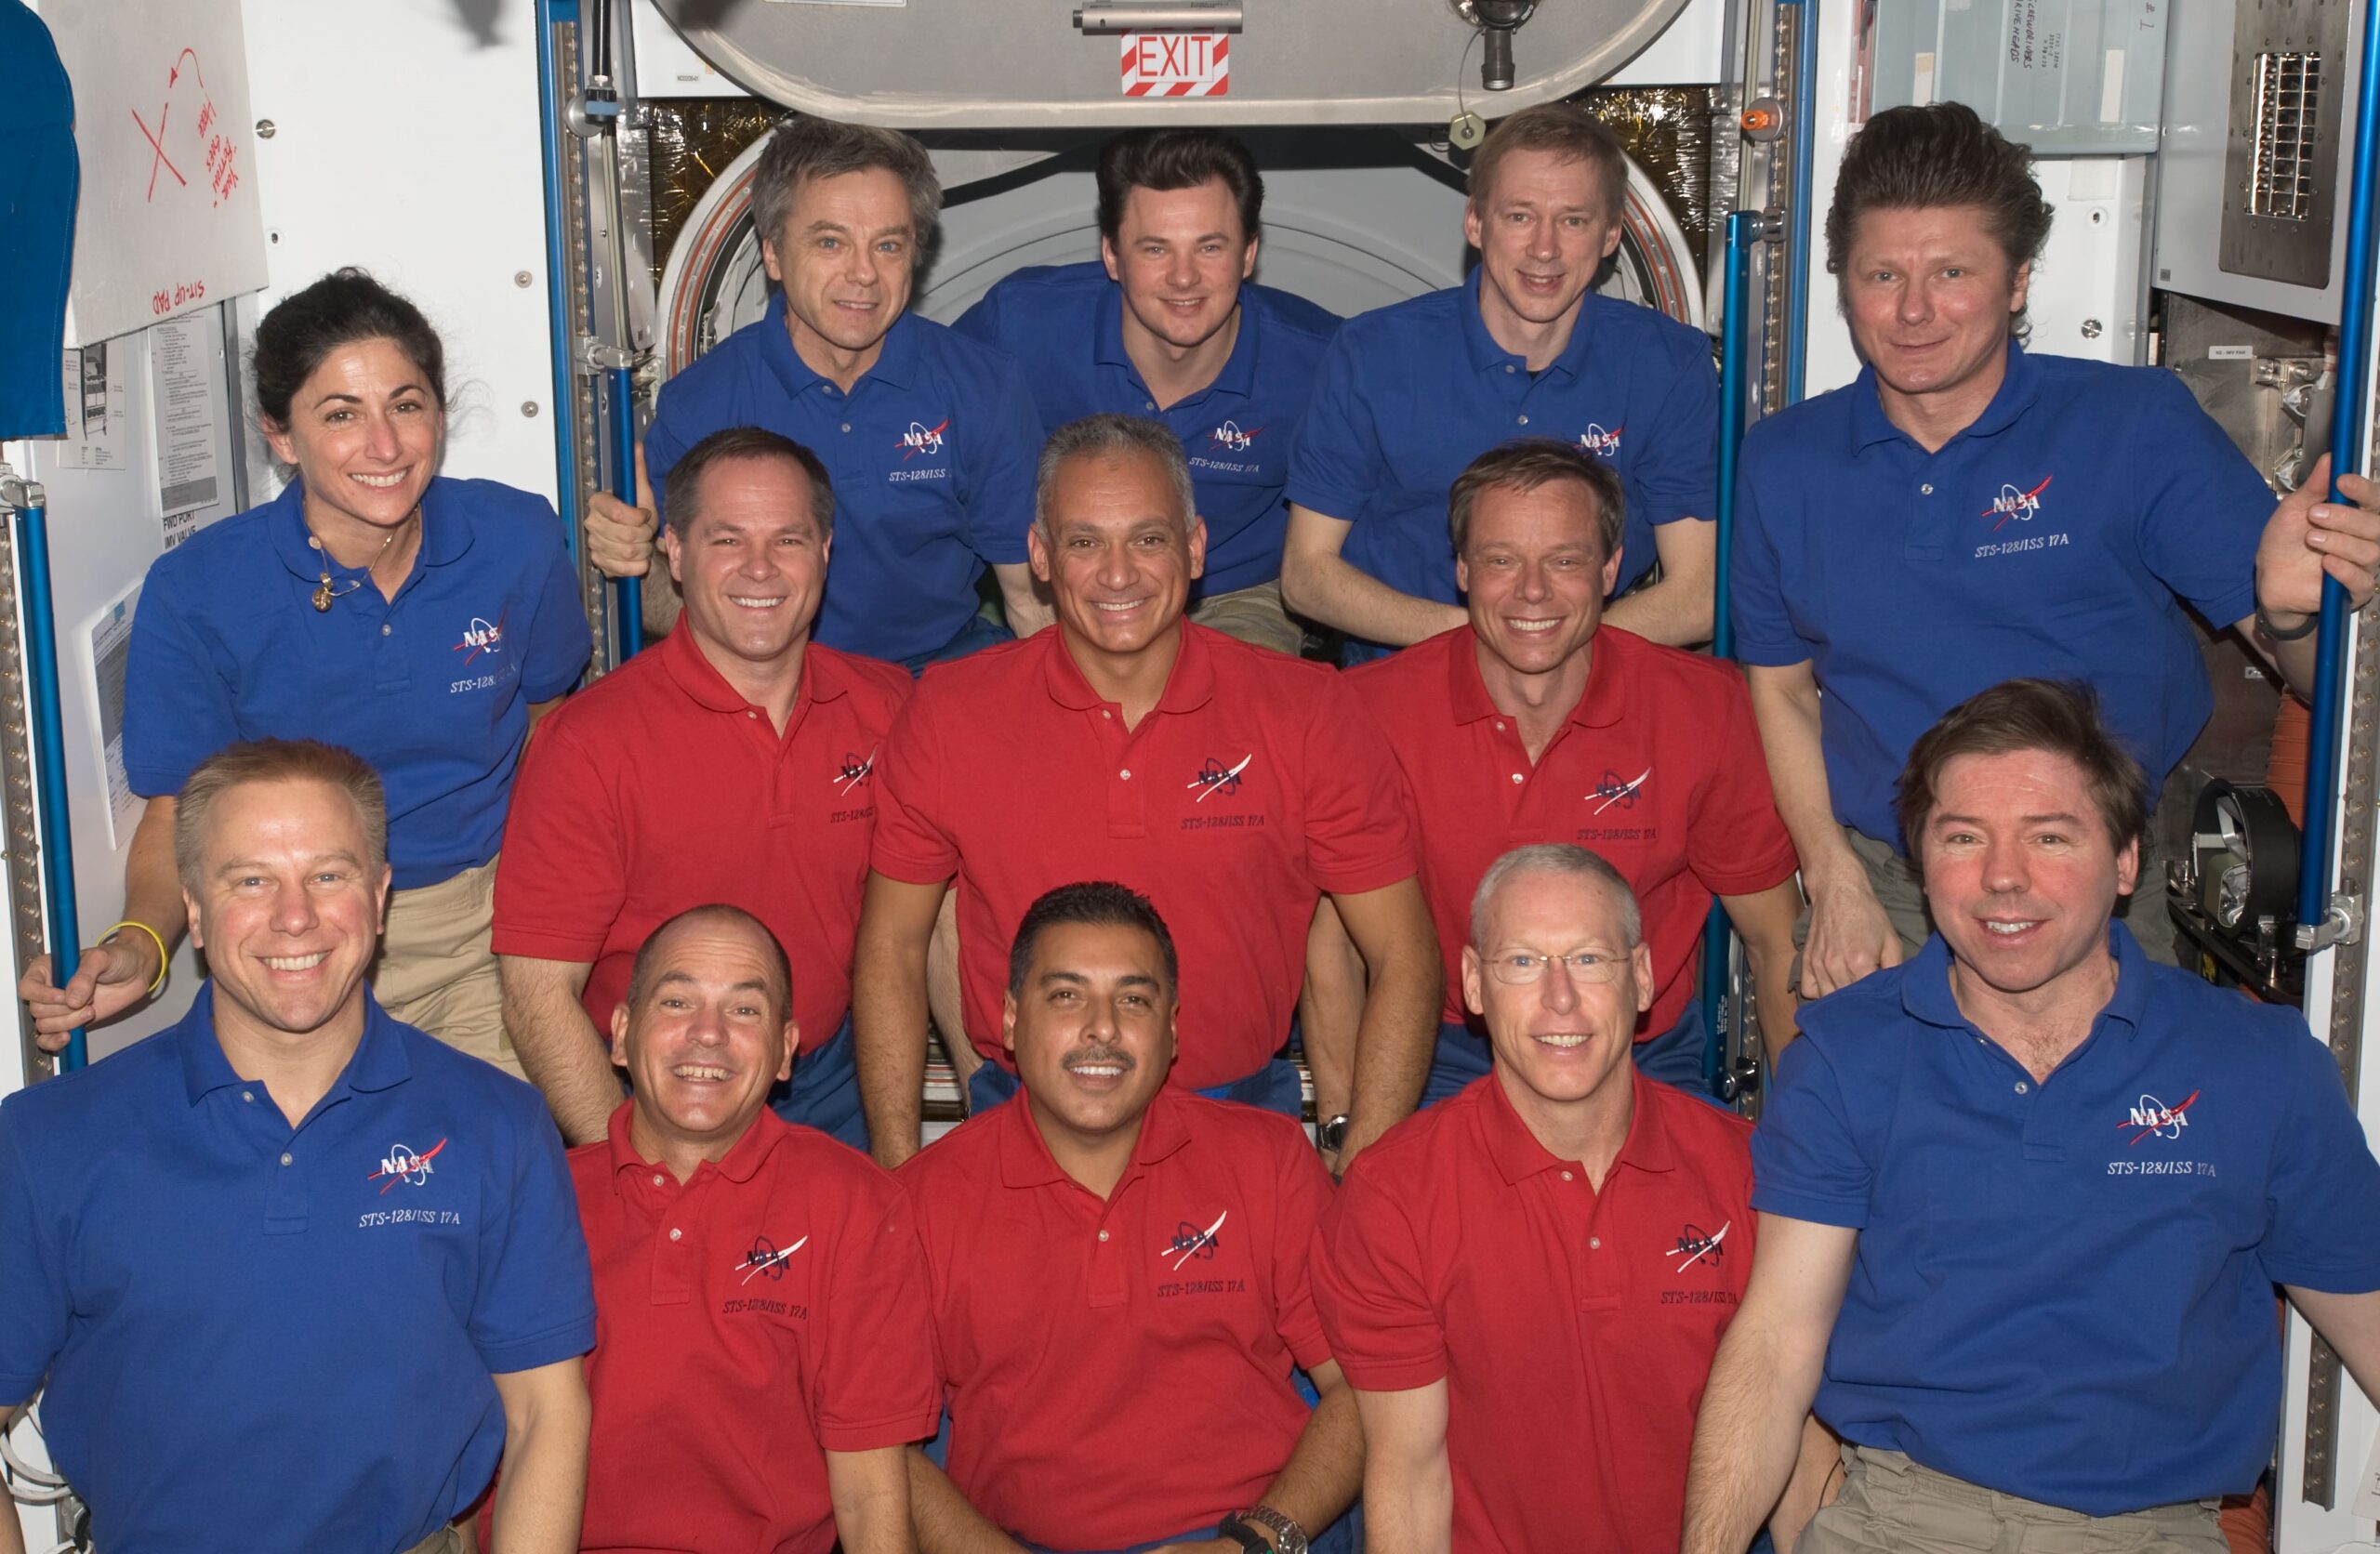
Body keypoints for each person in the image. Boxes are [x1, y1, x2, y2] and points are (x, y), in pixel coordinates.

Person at [1679, 679, 2380, 1554]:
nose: (2002, 877)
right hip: (1902, 1519)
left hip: (2150, 1534)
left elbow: (2368, 1314)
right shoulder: (1846, 1053)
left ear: (2126, 862)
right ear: (1921, 862)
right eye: (1963, 838)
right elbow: (1777, 1344)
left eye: (2050, 837)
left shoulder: (2257, 1065)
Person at [1731, 102, 2380, 994]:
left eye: (1952, 271)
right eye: (1883, 275)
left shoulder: (2135, 428)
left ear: (2019, 280)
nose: (1914, 310)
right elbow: (1782, 689)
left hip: (2100, 891)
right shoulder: (1783, 461)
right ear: (1845, 282)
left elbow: (2316, 682)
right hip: (1885, 889)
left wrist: (2290, 614)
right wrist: (1831, 878)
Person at [0, 739, 594, 1554]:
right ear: (196, 911)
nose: (295, 917)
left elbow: (545, 1416)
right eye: (251, 880)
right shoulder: (50, 1140)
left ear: (381, 898)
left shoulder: (500, 1125)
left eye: (329, 875)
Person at [18, 270, 590, 1076]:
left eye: (407, 404)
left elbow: (551, 721)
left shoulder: (516, 538)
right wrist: (142, 943)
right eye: (341, 415)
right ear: (281, 437)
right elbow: (176, 807)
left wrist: (559, 905)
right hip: (296, 937)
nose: (385, 446)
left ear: (440, 413)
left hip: (481, 926)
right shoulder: (202, 591)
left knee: (492, 1163)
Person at [855, 415, 1439, 1170]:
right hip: (1020, 1126)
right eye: (1085, 542)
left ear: (1196, 548)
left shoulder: (1308, 711)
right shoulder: (947, 712)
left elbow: (1405, 953)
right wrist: (900, 1173)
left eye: (1149, 538)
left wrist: (1365, 1172)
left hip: (1236, 1127)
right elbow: (891, 948)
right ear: (1039, 556)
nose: (1119, 573)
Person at [1316, 844, 1831, 1553]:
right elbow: (1409, 1477)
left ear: (1643, 977)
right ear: (1472, 983)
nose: (1561, 999)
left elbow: (1804, 1451)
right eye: (1522, 963)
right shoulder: (1393, 1195)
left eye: (1589, 960)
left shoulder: (1753, 1173)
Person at [900, 882, 1361, 1554]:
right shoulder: (920, 1201)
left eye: (1133, 1000)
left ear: (1172, 1028)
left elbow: (1362, 1389)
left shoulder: (1268, 1160)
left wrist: (1257, 1542)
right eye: (1066, 995)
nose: (1103, 1028)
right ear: (1008, 1018)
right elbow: (880, 1445)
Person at [1342, 441, 1801, 1102]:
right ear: (1463, 569)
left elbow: (1774, 942)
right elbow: (1331, 949)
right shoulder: (1368, 711)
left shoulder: (1704, 709)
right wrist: (1350, 1129)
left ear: (1611, 568)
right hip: (1445, 1047)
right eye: (1502, 560)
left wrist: (1804, 1145)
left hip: (1640, 1048)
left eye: (1565, 560)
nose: (1533, 591)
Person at [495, 427, 910, 1149]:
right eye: (726, 540)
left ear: (825, 552)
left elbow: (925, 931)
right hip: (654, 1096)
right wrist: (632, 1168)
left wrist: (905, 1156)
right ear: (677, 555)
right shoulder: (591, 744)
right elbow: (538, 996)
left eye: (788, 539)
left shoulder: (889, 710)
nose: (760, 569)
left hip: (830, 1085)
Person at [581, 116, 1051, 670]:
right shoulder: (705, 403)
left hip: (934, 671)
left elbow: (1029, 602)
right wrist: (637, 568)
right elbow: (670, 610)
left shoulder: (981, 388)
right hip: (771, 681)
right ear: (774, 253)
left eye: (888, 245)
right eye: (830, 242)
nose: (864, 274)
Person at [546, 903, 933, 1554]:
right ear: (618, 1033)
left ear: (786, 1052)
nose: (709, 1034)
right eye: (676, 1002)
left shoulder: (855, 1205)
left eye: (745, 1011)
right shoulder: (533, 1201)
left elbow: (871, 1492)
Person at [1281, 103, 1718, 661]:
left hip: (1591, 667)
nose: (1544, 248)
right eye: (1519, 216)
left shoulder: (1666, 363)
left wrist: (1547, 649)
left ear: (1610, 235)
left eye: (1573, 220)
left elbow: (1697, 592)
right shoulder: (1374, 355)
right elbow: (1307, 574)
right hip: (1408, 670)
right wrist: (1483, 639)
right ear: (1475, 223)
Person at [952, 128, 1339, 655]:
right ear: (1112, 255)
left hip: (1233, 596)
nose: (1184, 278)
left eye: (1210, 247)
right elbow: (928, 425)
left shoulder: (1320, 362)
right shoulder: (1021, 325)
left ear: (1248, 255)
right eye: (1155, 248)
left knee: (1234, 724)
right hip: (1073, 585)